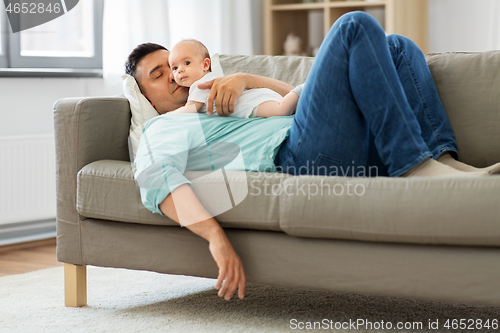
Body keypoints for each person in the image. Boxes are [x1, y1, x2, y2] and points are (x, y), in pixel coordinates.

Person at [125, 12, 500, 302]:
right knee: (353, 25)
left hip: (318, 132)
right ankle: (416, 168)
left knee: (398, 46)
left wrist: (246, 80)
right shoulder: (165, 128)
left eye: (177, 64)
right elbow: (159, 180)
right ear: (145, 97)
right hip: (300, 157)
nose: (175, 75)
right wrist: (214, 238)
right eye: (161, 74)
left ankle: (442, 163)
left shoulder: (220, 96)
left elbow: (298, 97)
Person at [167, 39, 303, 118]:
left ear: (205, 64)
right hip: (255, 97)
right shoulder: (212, 79)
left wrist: (167, 117)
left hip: (250, 103)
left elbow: (189, 110)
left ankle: (302, 89)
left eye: (187, 63)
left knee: (281, 110)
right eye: (174, 68)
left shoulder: (200, 85)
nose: (180, 70)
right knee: (291, 109)